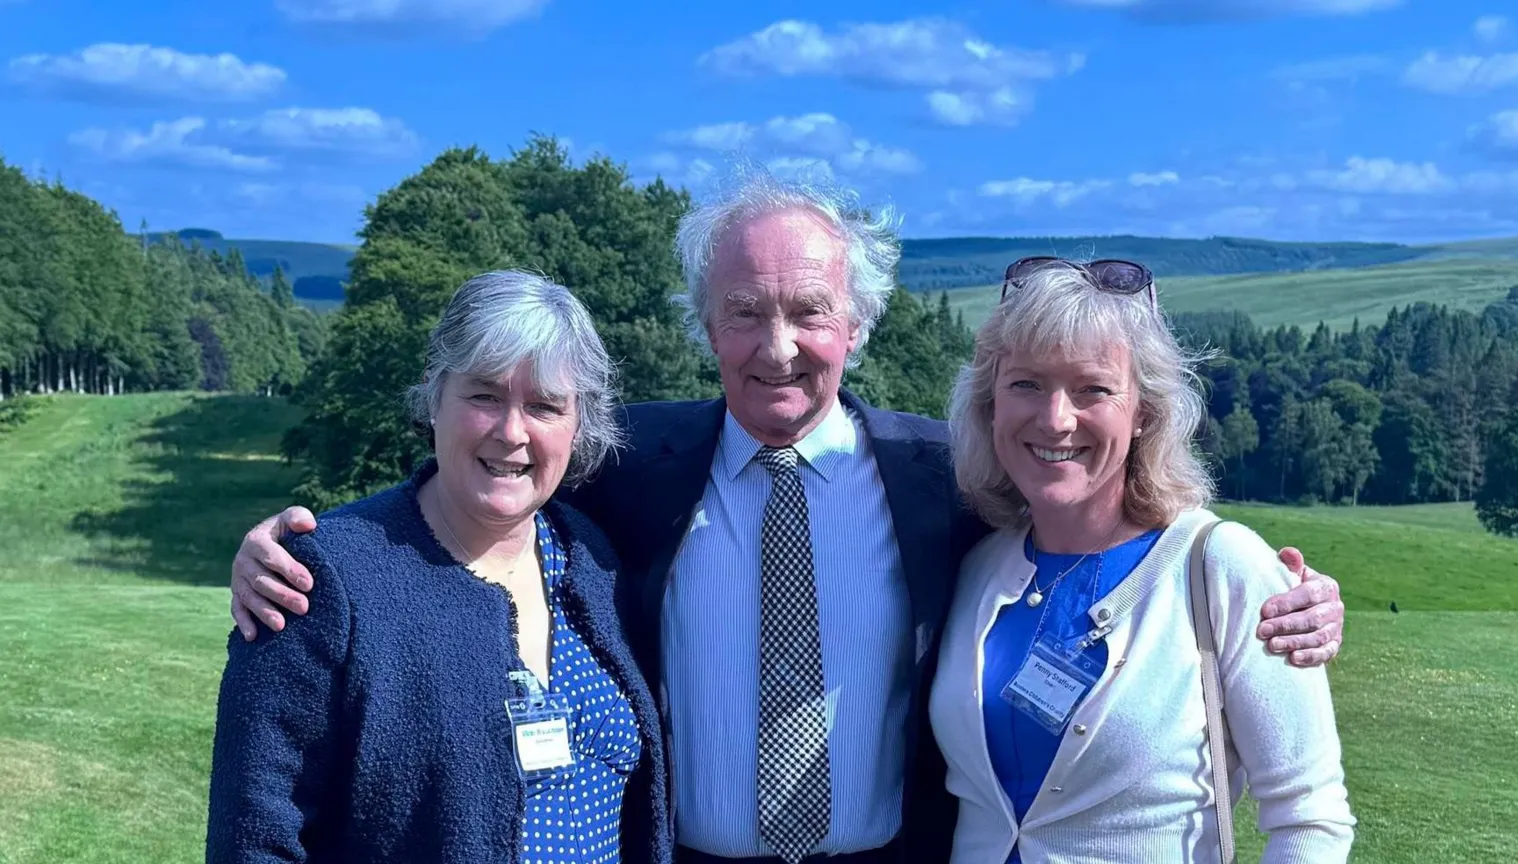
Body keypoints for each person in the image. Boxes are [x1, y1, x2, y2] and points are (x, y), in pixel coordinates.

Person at [222, 163, 1347, 864]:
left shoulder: (941, 478)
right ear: (704, 326)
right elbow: (491, 477)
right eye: (744, 312)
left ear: (855, 322)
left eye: (809, 310)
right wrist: (316, 545)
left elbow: (1112, 511)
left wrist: (1293, 600)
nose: (778, 346)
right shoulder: (632, 464)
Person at [205, 271, 671, 864]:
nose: (511, 432)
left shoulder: (597, 565)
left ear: (580, 423)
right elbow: (256, 837)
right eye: (483, 395)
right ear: (433, 397)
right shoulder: (323, 579)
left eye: (545, 406)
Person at [929, 257, 1355, 862]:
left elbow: (1309, 816)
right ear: (989, 403)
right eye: (1025, 383)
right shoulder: (978, 568)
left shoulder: (1219, 566)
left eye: (1093, 389)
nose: (1055, 418)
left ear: (1144, 414)